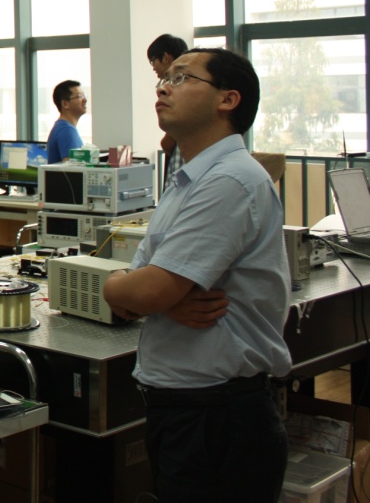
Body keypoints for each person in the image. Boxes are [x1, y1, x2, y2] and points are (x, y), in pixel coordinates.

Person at [102, 47, 290, 503]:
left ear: (228, 99)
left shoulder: (230, 180)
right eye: (163, 78)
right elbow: (143, 286)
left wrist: (122, 289)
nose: (163, 88)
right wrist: (147, 295)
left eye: (181, 78)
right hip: (187, 410)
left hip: (220, 416)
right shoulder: (188, 179)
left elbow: (146, 289)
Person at [147, 33, 189, 187]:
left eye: (153, 60)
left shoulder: (181, 88)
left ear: (166, 57)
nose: (153, 67)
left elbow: (167, 143)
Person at [46, 79, 87, 162]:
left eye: (84, 96)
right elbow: (71, 167)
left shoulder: (63, 128)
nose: (85, 100)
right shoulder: (66, 130)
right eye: (80, 96)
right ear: (65, 104)